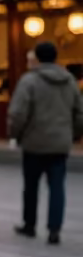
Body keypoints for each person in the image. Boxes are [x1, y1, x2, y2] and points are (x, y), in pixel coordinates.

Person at [8, 40, 83, 245]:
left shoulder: (29, 81)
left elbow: (18, 112)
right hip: (60, 143)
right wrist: (74, 134)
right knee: (57, 187)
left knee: (31, 186)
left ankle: (29, 224)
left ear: (37, 58)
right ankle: (54, 229)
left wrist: (15, 134)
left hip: (34, 142)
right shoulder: (70, 81)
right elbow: (79, 112)